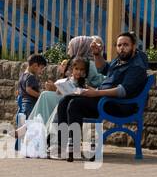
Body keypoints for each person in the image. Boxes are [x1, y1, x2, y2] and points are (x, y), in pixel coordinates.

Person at [53, 32, 149, 160]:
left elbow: (123, 91)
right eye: (119, 45)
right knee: (65, 100)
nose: (122, 48)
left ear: (134, 46)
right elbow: (103, 68)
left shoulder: (136, 66)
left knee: (75, 104)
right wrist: (97, 54)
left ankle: (74, 147)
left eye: (126, 45)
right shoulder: (119, 61)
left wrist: (96, 92)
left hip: (119, 105)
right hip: (104, 99)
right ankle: (62, 145)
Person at [16, 53, 47, 119]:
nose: (41, 71)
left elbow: (19, 91)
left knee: (24, 125)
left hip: (23, 104)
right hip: (30, 104)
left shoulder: (23, 75)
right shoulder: (31, 76)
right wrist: (40, 95)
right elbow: (29, 89)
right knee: (30, 125)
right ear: (35, 65)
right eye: (41, 68)